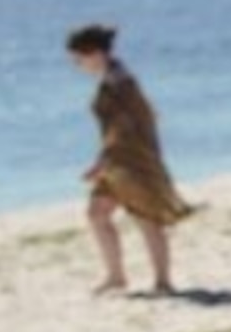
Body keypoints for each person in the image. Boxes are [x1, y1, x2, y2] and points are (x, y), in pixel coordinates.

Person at [66, 22, 195, 295]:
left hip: (132, 161)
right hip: (116, 161)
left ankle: (163, 282)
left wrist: (103, 162)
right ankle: (116, 276)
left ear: (96, 53)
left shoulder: (120, 83)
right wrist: (103, 162)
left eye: (79, 58)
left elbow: (127, 125)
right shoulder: (113, 79)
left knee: (146, 218)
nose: (77, 65)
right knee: (97, 214)